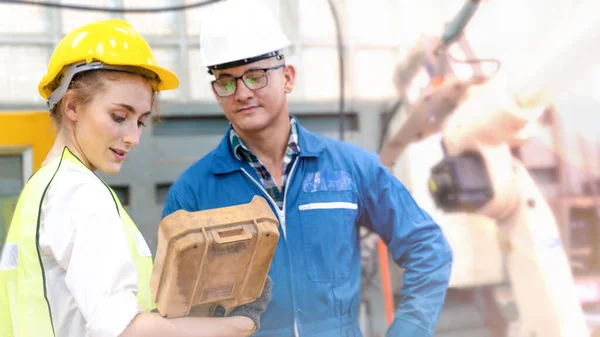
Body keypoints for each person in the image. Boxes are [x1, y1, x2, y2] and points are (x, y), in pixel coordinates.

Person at [162, 1, 453, 336]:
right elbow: (178, 312)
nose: (241, 93)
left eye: (255, 77)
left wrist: (410, 329)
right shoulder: (195, 191)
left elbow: (428, 248)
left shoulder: (350, 170)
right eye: (226, 82)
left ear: (287, 77)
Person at [0, 19, 270, 337]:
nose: (133, 138)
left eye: (140, 121)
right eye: (119, 117)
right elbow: (128, 331)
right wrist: (239, 323)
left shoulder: (42, 188)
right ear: (71, 105)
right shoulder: (82, 195)